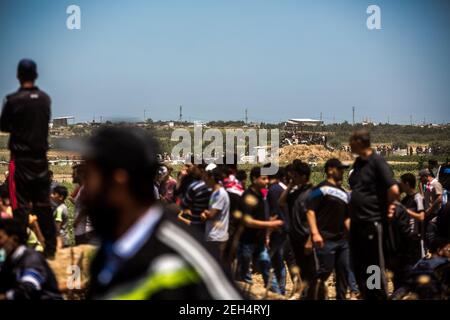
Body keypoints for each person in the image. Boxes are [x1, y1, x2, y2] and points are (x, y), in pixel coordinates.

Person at [84, 127, 241, 300]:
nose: (85, 193)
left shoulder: (185, 254)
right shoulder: (107, 253)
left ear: (118, 182)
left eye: (89, 177)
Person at [0, 59, 56, 259]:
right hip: (40, 160)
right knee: (43, 205)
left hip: (21, 160)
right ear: (36, 75)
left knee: (20, 206)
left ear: (18, 75)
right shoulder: (45, 99)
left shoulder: (13, 100)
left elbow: (4, 125)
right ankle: (50, 249)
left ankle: (20, 249)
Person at [348, 129, 400, 300]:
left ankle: (376, 296)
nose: (349, 145)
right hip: (357, 223)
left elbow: (393, 189)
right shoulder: (358, 163)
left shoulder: (377, 162)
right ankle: (366, 294)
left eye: (351, 142)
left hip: (372, 221)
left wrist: (390, 207)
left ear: (360, 142)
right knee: (358, 264)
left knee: (373, 266)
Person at [306, 159, 351, 300]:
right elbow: (310, 211)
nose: (342, 172)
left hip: (342, 241)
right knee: (325, 270)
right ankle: (312, 295)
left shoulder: (343, 193)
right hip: (325, 239)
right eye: (340, 169)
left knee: (343, 271)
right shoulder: (319, 189)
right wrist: (314, 233)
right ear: (330, 170)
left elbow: (347, 217)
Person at [236, 166, 284, 294]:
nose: (267, 181)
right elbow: (248, 222)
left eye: (267, 178)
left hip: (259, 241)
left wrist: (266, 235)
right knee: (246, 276)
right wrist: (270, 224)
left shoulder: (261, 196)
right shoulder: (248, 197)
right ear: (254, 179)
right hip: (247, 242)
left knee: (268, 271)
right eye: (263, 179)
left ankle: (277, 295)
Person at [0, 219, 62, 300]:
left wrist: (5, 297)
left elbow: (29, 288)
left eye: (0, 238)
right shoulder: (10, 262)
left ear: (14, 239)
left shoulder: (31, 259)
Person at [200, 164, 230, 260]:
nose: (204, 179)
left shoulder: (219, 194)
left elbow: (211, 214)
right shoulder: (215, 192)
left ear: (212, 177)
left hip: (217, 237)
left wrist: (205, 214)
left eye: (205, 176)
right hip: (213, 236)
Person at [179, 161, 212, 233]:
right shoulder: (214, 187)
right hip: (209, 225)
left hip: (195, 223)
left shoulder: (195, 187)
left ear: (202, 170)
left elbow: (184, 205)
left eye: (196, 168)